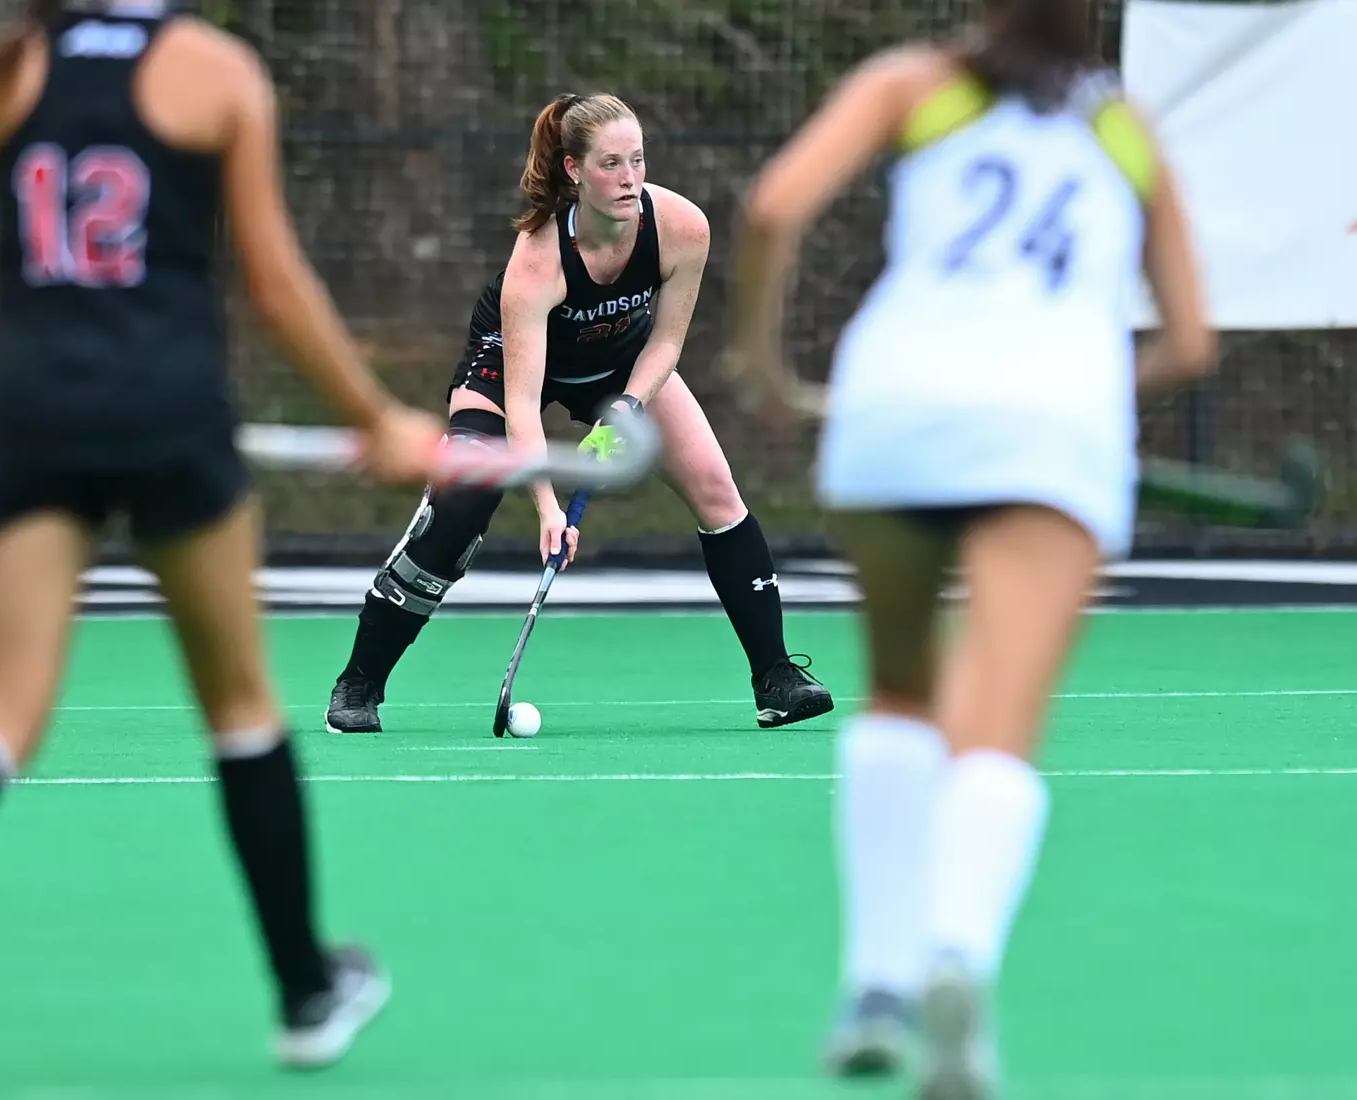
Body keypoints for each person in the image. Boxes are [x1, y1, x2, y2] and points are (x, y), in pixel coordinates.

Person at [0, 0, 441, 1083]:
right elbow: (274, 285)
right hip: (169, 412)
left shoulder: (1, 69)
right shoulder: (214, 70)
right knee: (238, 703)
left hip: (34, 417)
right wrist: (373, 418)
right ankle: (303, 988)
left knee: (2, 712)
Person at [724, 0, 1214, 1095]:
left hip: (893, 403)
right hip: (1052, 426)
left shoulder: (912, 81)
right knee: (995, 729)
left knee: (898, 693)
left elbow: (771, 205)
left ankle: (874, 980)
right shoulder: (1124, 127)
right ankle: (957, 948)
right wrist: (1092, 399)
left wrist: (759, 364)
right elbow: (1189, 340)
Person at [325, 92, 835, 735]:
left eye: (638, 161)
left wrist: (625, 409)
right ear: (574, 171)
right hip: (513, 369)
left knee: (716, 486)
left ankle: (776, 677)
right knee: (461, 504)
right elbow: (521, 404)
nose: (629, 179)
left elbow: (667, 343)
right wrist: (546, 508)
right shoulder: (537, 264)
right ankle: (360, 682)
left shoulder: (683, 229)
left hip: (623, 367)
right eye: (611, 164)